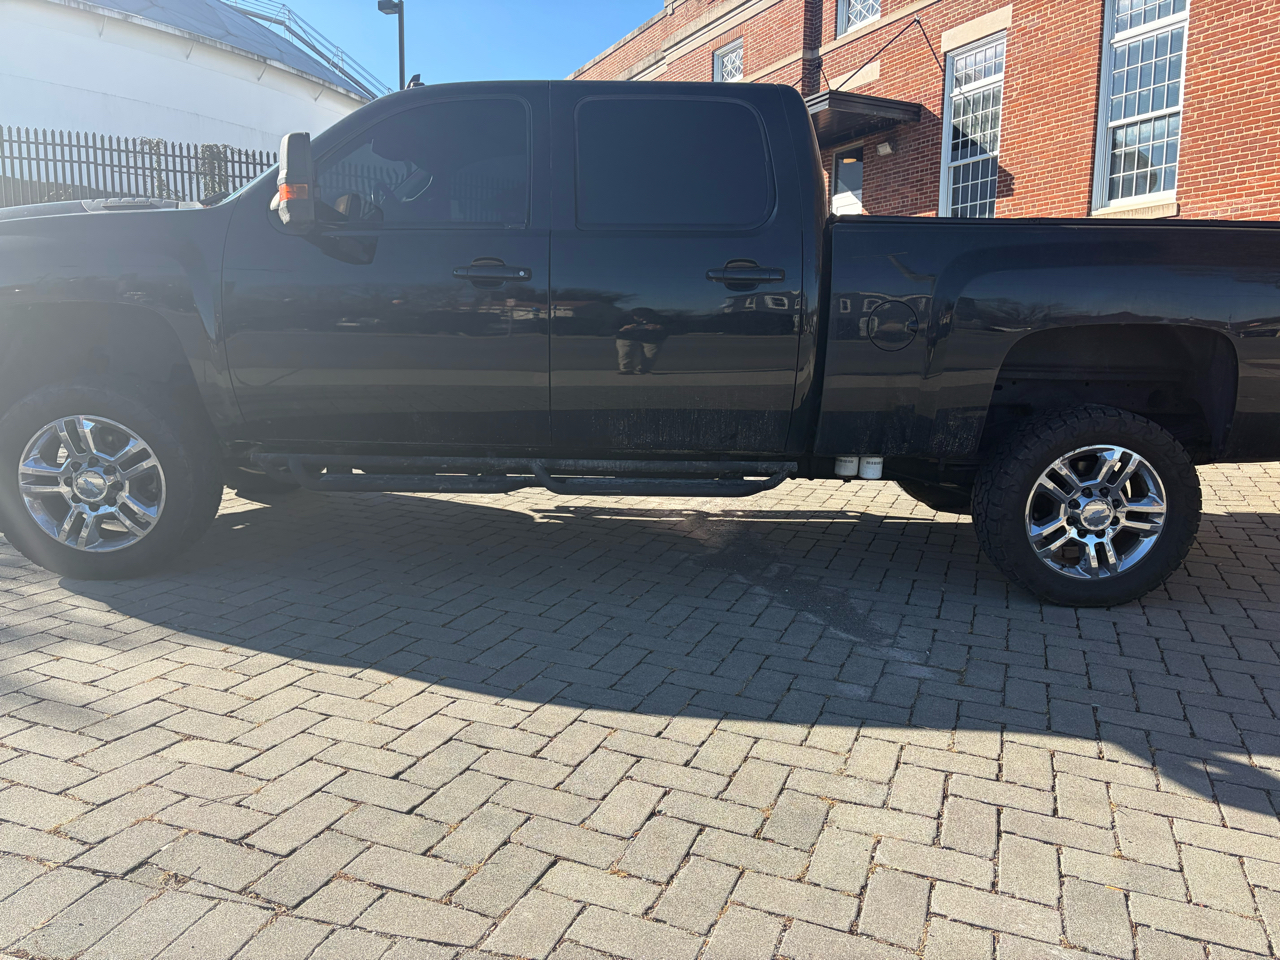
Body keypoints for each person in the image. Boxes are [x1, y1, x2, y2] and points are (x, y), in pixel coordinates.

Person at [615, 307, 669, 374]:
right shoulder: (623, 318)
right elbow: (607, 329)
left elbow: (678, 328)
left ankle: (643, 369)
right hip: (627, 337)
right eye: (639, 317)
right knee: (625, 353)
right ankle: (626, 370)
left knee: (651, 355)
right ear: (633, 316)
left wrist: (660, 327)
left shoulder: (661, 319)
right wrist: (622, 329)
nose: (642, 319)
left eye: (645, 317)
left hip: (652, 338)